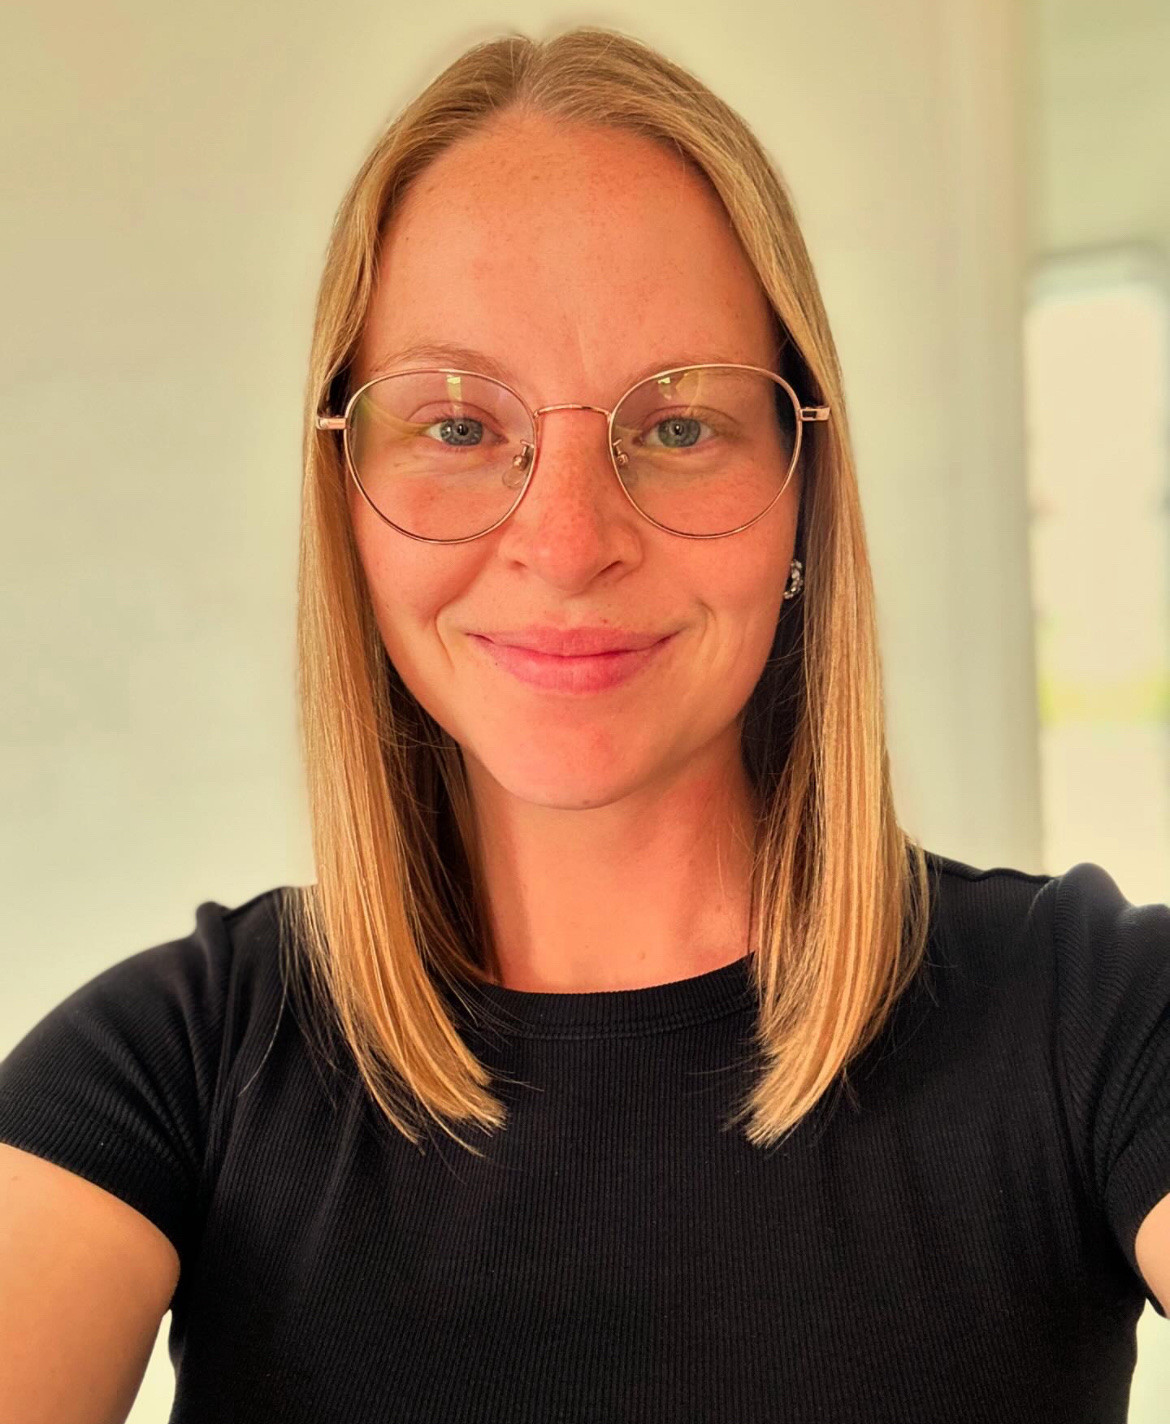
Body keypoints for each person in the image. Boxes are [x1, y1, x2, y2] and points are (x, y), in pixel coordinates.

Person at [1, 25, 1168, 1424]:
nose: (565, 544)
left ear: (801, 490)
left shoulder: (1099, 1015)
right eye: (455, 427)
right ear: (344, 500)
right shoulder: (165, 1070)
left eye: (677, 427)